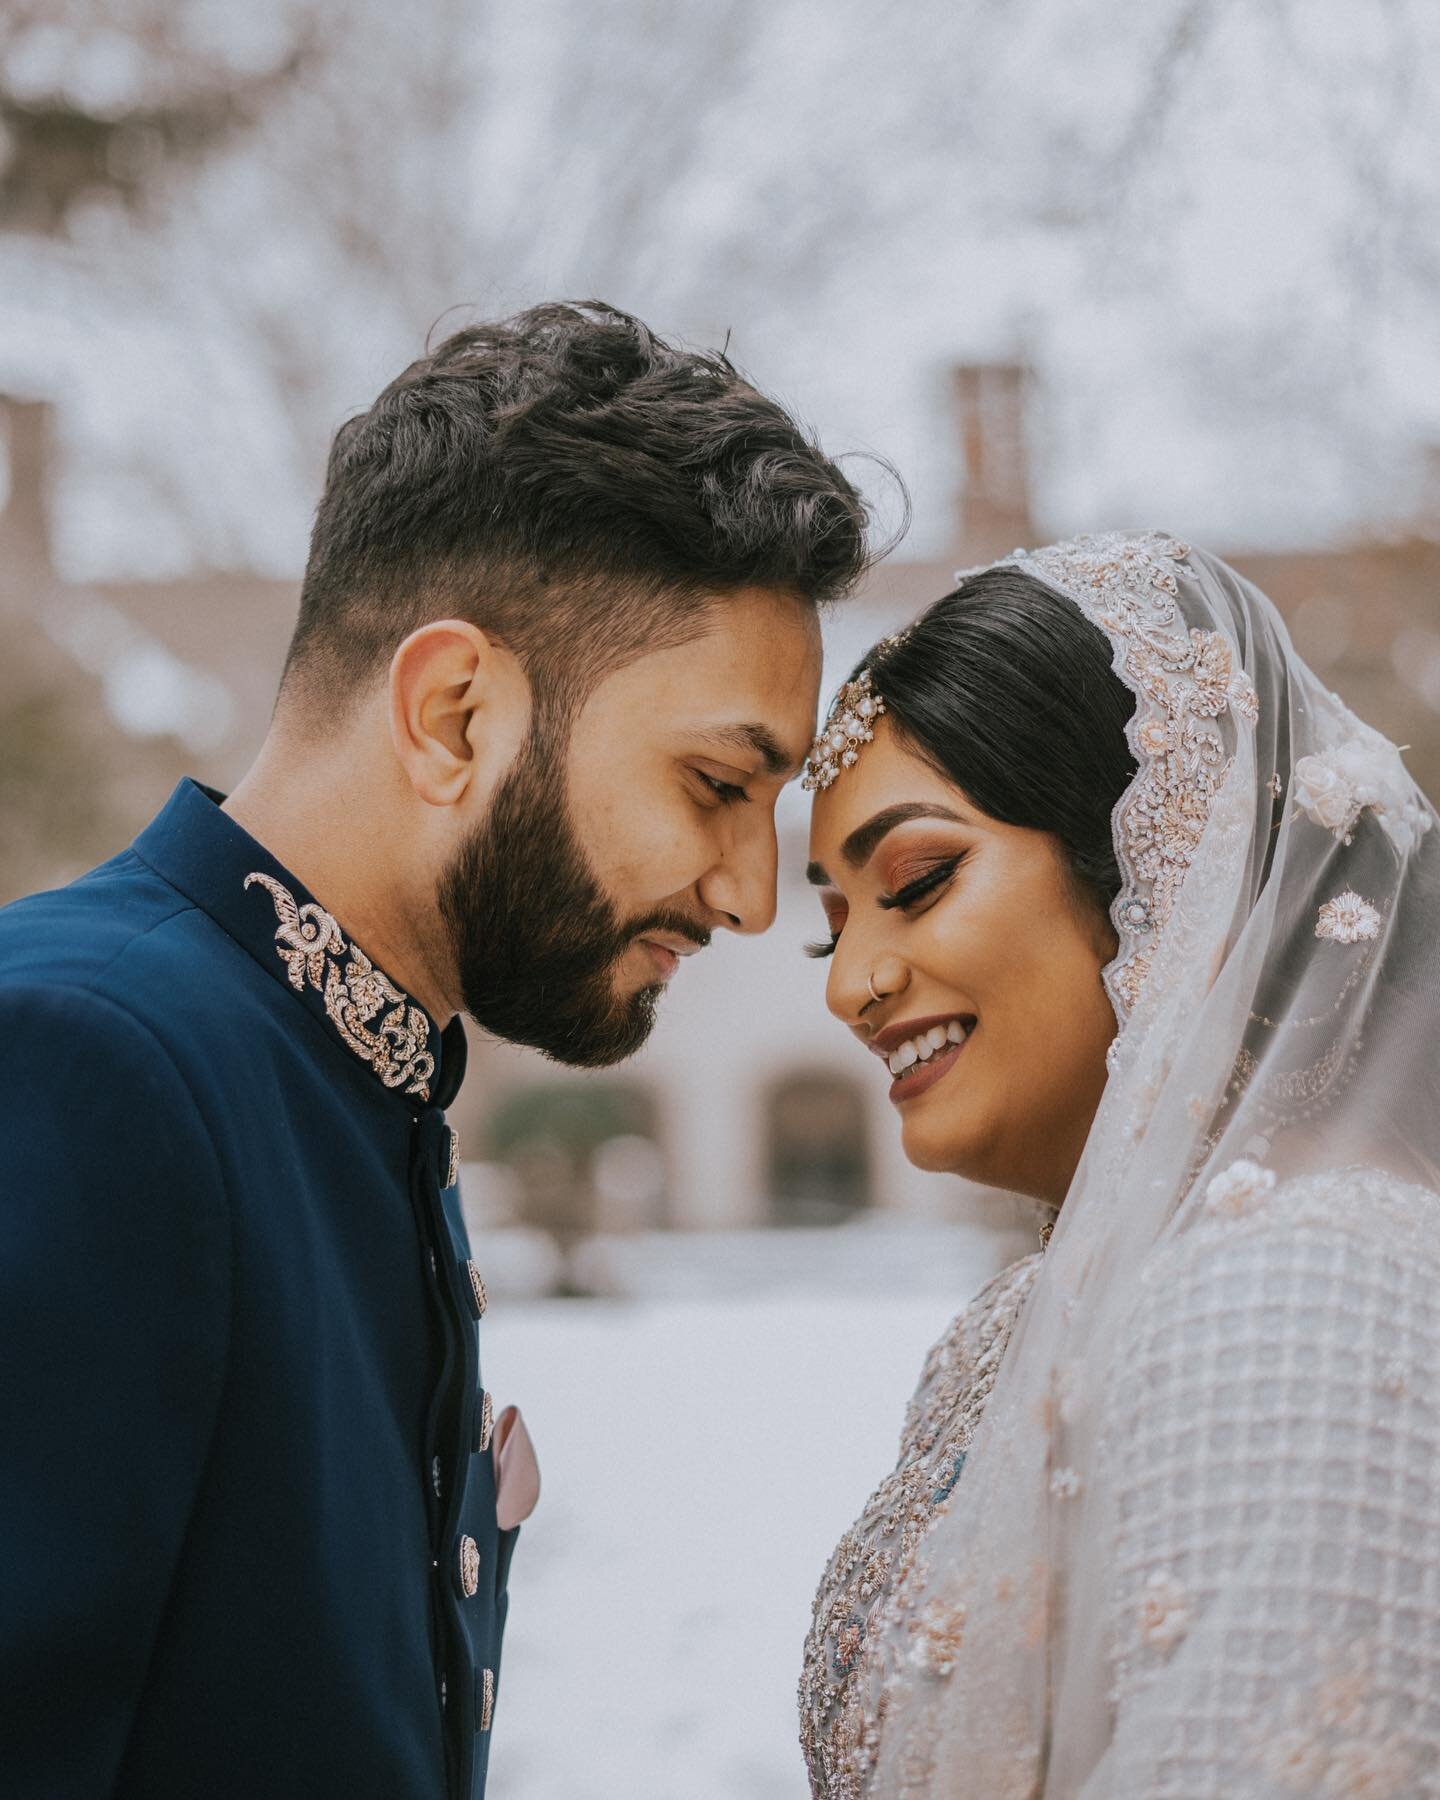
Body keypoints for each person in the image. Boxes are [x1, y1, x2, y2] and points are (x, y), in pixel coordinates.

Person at [0, 301, 875, 1799]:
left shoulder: (354, 1074)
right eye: (719, 783)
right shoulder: (86, 1062)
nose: (750, 892)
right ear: (454, 712)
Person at [797, 530, 1440, 1797]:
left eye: (915, 881)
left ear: (1169, 856)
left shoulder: (1293, 1295)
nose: (850, 987)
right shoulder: (1040, 1315)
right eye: (826, 929)